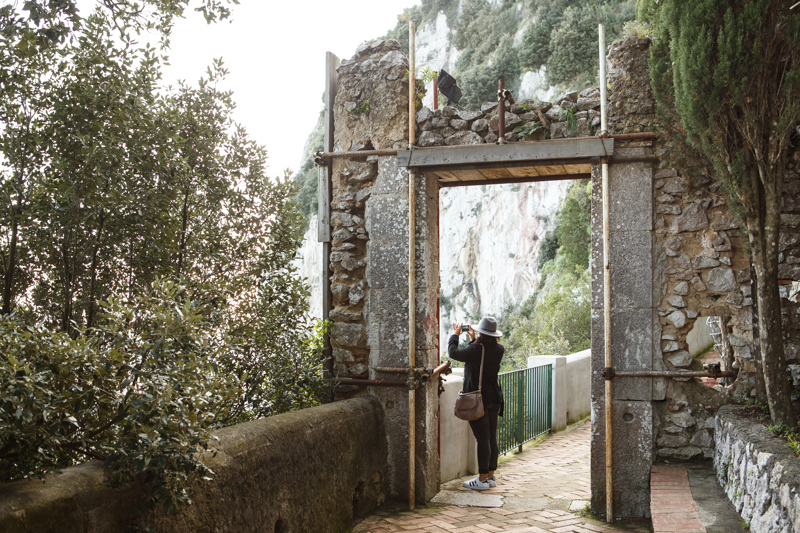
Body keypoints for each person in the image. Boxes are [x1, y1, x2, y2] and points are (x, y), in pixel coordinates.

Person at [448, 316, 504, 491]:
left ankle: (481, 480)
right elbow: (481, 356)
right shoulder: (499, 349)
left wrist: (455, 335)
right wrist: (473, 339)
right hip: (494, 397)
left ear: (481, 332)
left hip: (478, 399)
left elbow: (453, 353)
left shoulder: (475, 349)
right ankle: (490, 476)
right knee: (491, 437)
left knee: (483, 439)